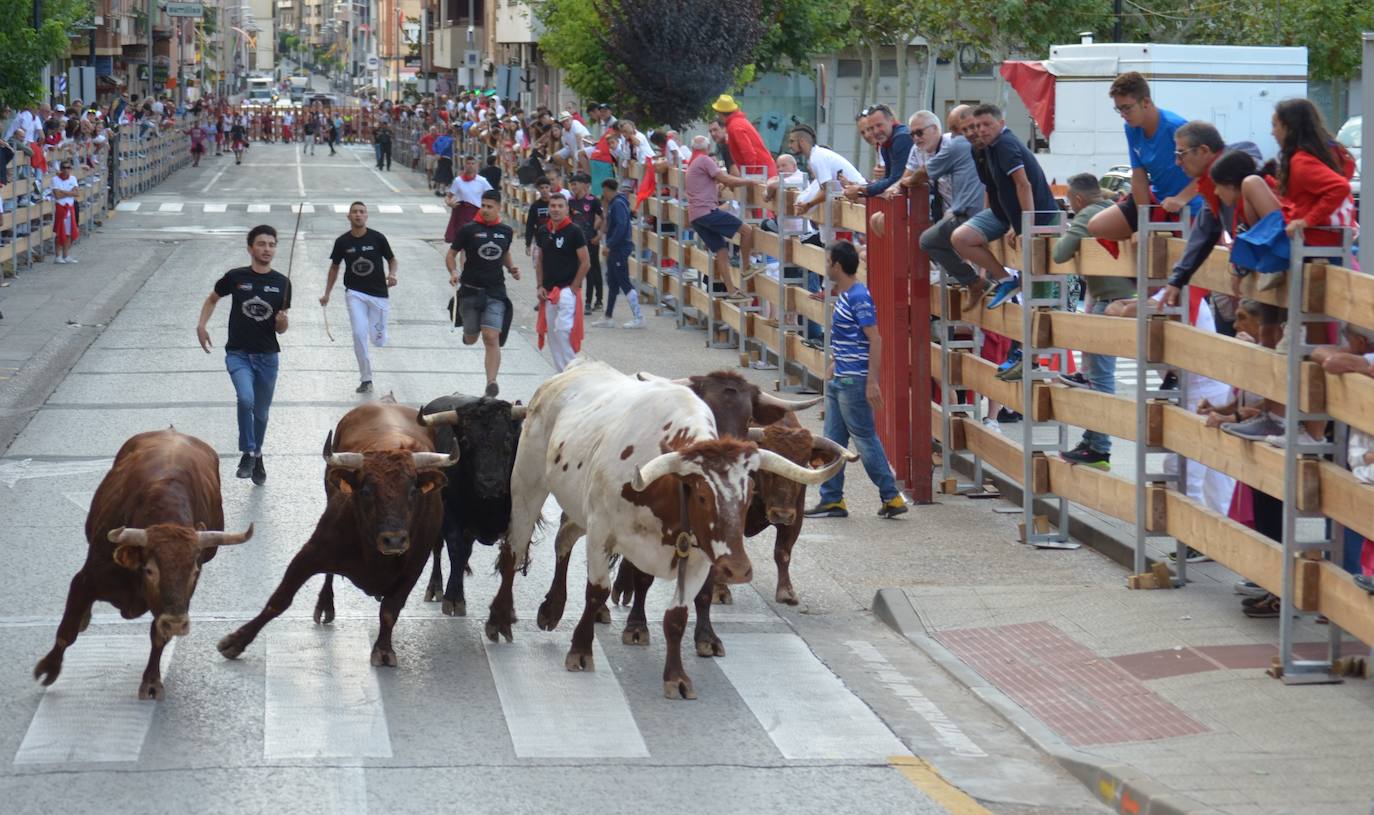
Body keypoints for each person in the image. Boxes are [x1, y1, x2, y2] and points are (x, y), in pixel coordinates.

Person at [805, 240, 908, 520]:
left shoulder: (858, 296)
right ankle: (832, 500)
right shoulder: (849, 294)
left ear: (837, 266)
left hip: (853, 380)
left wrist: (871, 381)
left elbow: (875, 339)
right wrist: (835, 362)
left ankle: (891, 495)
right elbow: (855, 338)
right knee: (832, 441)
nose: (826, 266)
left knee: (864, 438)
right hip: (844, 377)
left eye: (828, 262)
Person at [1051, 174, 1140, 470]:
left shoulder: (1088, 213)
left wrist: (1071, 233)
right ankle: (1092, 441)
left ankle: (1100, 448)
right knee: (1097, 376)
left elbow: (1060, 253)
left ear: (1077, 199)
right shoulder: (1110, 207)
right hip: (1120, 297)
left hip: (1108, 302)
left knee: (1100, 379)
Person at [196, 225, 291, 486]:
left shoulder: (282, 283)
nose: (267, 249)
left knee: (261, 413)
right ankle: (247, 452)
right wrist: (202, 325)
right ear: (250, 248)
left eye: (271, 244)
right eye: (261, 244)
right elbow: (213, 298)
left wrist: (282, 321)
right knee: (245, 398)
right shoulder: (236, 277)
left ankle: (257, 455)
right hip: (238, 354)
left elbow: (281, 329)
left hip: (268, 357)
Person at [950, 103, 1059, 310]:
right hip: (1004, 215)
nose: (981, 130)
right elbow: (991, 188)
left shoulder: (1005, 144)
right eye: (977, 125)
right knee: (960, 238)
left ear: (1001, 124)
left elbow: (1023, 184)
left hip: (1041, 219)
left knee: (1039, 283)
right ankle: (1005, 280)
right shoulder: (984, 149)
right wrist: (1009, 224)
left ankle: (1039, 333)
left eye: (987, 124)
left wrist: (1026, 227)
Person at [1088, 71, 1200, 240]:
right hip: (1156, 200)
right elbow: (1139, 177)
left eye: (1127, 108)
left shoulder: (1176, 126)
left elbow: (1209, 170)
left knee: (1187, 256)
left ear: (1146, 102)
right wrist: (1144, 224)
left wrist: (1181, 199)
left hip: (1189, 204)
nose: (1123, 115)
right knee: (1097, 226)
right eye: (1119, 109)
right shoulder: (1131, 128)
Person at [320, 202, 398, 394]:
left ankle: (379, 334)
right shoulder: (342, 242)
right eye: (354, 212)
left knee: (378, 339)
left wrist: (392, 274)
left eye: (361, 212)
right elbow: (334, 267)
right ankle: (366, 378)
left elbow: (392, 259)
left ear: (366, 216)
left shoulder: (378, 238)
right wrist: (327, 294)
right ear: (348, 216)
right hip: (354, 293)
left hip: (379, 294)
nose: (358, 215)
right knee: (358, 333)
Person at [448, 189, 519, 396]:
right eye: (483, 206)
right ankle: (468, 333)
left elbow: (504, 252)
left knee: (491, 335)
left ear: (499, 207)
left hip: (495, 292)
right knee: (472, 338)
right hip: (470, 291)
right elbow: (451, 254)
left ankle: (491, 382)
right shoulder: (468, 230)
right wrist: (454, 271)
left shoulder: (506, 231)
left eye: (490, 207)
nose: (486, 210)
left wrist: (511, 268)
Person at [915, 105, 986, 290]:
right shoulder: (986, 142)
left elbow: (923, 173)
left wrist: (905, 183)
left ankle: (975, 282)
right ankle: (982, 281)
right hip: (982, 213)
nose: (954, 135)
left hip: (969, 215)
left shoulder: (957, 144)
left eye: (956, 129)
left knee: (928, 240)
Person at [684, 134, 757, 299]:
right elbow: (723, 177)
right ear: (708, 148)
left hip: (696, 216)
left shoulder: (693, 163)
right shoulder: (704, 160)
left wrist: (722, 183)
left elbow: (716, 181)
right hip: (707, 212)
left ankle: (731, 291)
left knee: (722, 252)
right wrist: (749, 182)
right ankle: (746, 267)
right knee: (746, 230)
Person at [535, 194, 590, 371]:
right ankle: (561, 373)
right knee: (553, 334)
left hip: (567, 291)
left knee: (564, 331)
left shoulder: (574, 231)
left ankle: (573, 371)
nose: (556, 209)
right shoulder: (543, 231)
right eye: (553, 206)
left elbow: (585, 262)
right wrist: (540, 285)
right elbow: (540, 260)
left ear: (567, 209)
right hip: (549, 291)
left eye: (560, 206)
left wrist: (574, 287)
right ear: (548, 208)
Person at [787, 124, 866, 229]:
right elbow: (825, 188)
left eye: (792, 141)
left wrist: (808, 205)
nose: (789, 145)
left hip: (861, 198)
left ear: (802, 141)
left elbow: (828, 189)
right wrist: (808, 204)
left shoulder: (817, 158)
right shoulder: (816, 155)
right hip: (856, 198)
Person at [592, 178, 644, 329]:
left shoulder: (618, 204)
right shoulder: (618, 204)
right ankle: (608, 316)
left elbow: (620, 227)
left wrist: (610, 244)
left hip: (619, 248)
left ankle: (638, 317)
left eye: (604, 191)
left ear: (608, 190)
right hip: (617, 247)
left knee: (623, 282)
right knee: (613, 283)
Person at [842, 104, 912, 201]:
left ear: (891, 120)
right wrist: (861, 187)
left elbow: (896, 179)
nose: (875, 132)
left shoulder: (901, 138)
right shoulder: (885, 143)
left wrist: (861, 188)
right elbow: (887, 179)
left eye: (879, 125)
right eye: (871, 128)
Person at [711, 95, 776, 178]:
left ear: (720, 113)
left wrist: (748, 177)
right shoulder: (739, 122)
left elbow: (749, 153)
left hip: (760, 175)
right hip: (763, 172)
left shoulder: (734, 126)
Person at [568, 172, 605, 314]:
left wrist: (600, 235)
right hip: (576, 241)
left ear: (583, 185)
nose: (573, 187)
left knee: (592, 270)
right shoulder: (570, 201)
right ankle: (577, 300)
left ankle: (594, 300)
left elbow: (604, 217)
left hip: (590, 240)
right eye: (571, 185)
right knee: (578, 270)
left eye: (575, 184)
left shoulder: (592, 201)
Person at [445, 155, 492, 244]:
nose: (470, 165)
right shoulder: (458, 181)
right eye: (468, 163)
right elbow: (448, 196)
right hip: (462, 213)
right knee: (464, 243)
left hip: (477, 214)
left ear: (476, 165)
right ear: (464, 165)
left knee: (476, 242)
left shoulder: (482, 181)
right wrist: (449, 203)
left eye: (472, 163)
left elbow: (492, 195)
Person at [49, 162, 80, 264]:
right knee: (59, 231)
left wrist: (64, 192)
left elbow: (77, 193)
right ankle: (58, 256)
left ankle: (66, 255)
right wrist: (70, 193)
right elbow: (57, 195)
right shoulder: (55, 180)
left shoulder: (73, 178)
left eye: (68, 167)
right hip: (61, 207)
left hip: (70, 207)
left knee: (69, 232)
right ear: (61, 169)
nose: (66, 169)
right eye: (64, 168)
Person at [523, 176, 554, 256]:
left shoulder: (555, 203)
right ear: (538, 189)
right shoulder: (535, 206)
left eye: (546, 187)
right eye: (542, 188)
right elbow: (530, 225)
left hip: (555, 238)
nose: (544, 190)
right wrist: (528, 244)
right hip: (540, 240)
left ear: (550, 187)